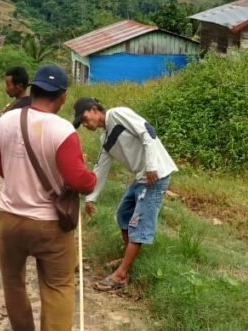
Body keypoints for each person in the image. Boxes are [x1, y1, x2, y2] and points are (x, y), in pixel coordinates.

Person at [0, 65, 96, 331]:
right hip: (50, 224)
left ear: (33, 89)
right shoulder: (62, 130)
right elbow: (78, 180)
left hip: (10, 218)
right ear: (63, 97)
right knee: (58, 286)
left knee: (12, 277)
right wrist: (92, 179)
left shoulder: (5, 120)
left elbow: (0, 166)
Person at [73, 97, 177, 292]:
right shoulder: (105, 138)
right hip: (141, 178)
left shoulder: (118, 114)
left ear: (95, 109)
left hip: (156, 175)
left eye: (85, 119)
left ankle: (121, 275)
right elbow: (101, 167)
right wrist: (91, 198)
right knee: (123, 215)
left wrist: (152, 165)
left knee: (138, 224)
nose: (85, 124)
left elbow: (147, 132)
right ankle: (129, 259)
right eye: (82, 123)